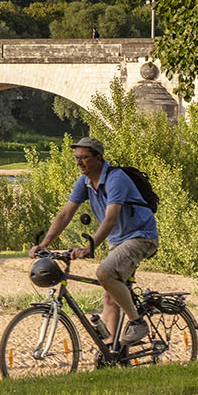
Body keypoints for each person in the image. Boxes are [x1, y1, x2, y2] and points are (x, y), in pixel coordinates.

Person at [34, 136, 159, 349]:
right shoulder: (84, 182)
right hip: (119, 241)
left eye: (84, 158)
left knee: (104, 273)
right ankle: (111, 352)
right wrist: (44, 244)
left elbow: (110, 218)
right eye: (76, 158)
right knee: (111, 298)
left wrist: (88, 248)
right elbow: (65, 214)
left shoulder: (115, 178)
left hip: (140, 236)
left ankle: (137, 323)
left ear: (98, 158)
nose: (79, 162)